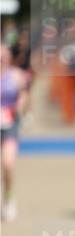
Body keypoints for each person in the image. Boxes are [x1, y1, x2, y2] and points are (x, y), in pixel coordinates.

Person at [1, 45, 28, 221]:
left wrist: (19, 107)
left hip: (9, 125)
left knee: (8, 164)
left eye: (3, 56)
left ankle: (8, 198)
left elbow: (24, 95)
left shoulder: (17, 75)